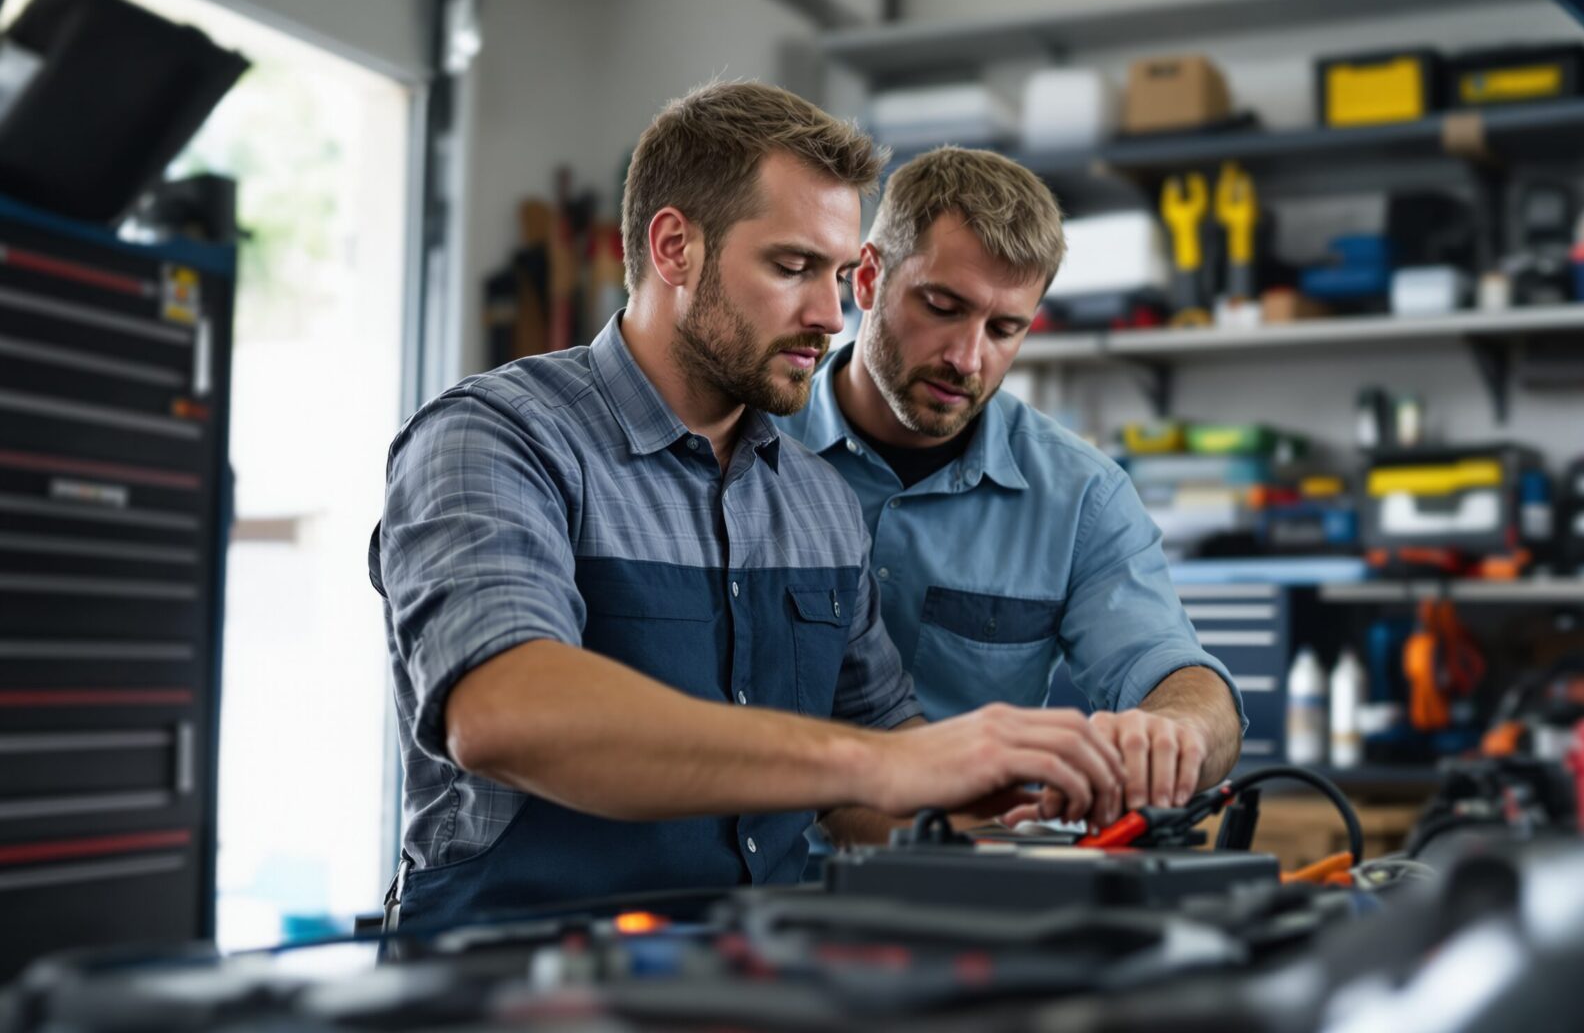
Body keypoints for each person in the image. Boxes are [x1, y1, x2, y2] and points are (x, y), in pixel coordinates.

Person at [371, 84, 1125, 927]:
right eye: (793, 267)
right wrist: (878, 765)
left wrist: (1009, 824)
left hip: (749, 974)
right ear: (674, 248)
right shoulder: (496, 439)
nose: (830, 316)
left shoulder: (817, 499)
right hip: (507, 977)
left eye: (837, 274)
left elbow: (875, 772)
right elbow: (509, 714)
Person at [777, 146, 1243, 828]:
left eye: (1005, 329)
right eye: (943, 307)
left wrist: (1178, 733)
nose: (968, 359)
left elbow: (1171, 669)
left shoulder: (1080, 498)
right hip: (747, 870)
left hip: (969, 868)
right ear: (869, 279)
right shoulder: (748, 447)